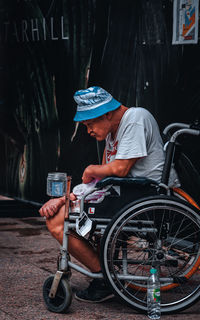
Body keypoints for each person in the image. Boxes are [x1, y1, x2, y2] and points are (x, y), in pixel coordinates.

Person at [39, 86, 179, 303]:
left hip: (143, 197)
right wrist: (65, 197)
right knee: (59, 212)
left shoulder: (135, 117)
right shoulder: (113, 133)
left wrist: (90, 170)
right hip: (126, 196)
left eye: (89, 124)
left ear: (106, 114)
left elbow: (119, 169)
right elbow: (103, 181)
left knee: (57, 221)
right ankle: (104, 273)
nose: (88, 131)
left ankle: (104, 278)